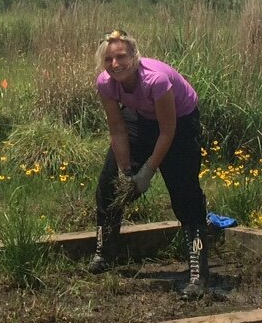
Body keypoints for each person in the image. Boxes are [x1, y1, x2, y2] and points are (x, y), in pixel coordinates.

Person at [90, 30, 212, 299]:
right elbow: (118, 130)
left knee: (184, 192)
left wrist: (147, 172)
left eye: (121, 57)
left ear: (134, 56)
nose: (115, 64)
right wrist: (126, 171)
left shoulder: (155, 80)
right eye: (109, 59)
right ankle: (105, 251)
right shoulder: (106, 83)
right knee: (108, 183)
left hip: (179, 121)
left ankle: (198, 272)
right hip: (142, 117)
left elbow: (167, 132)